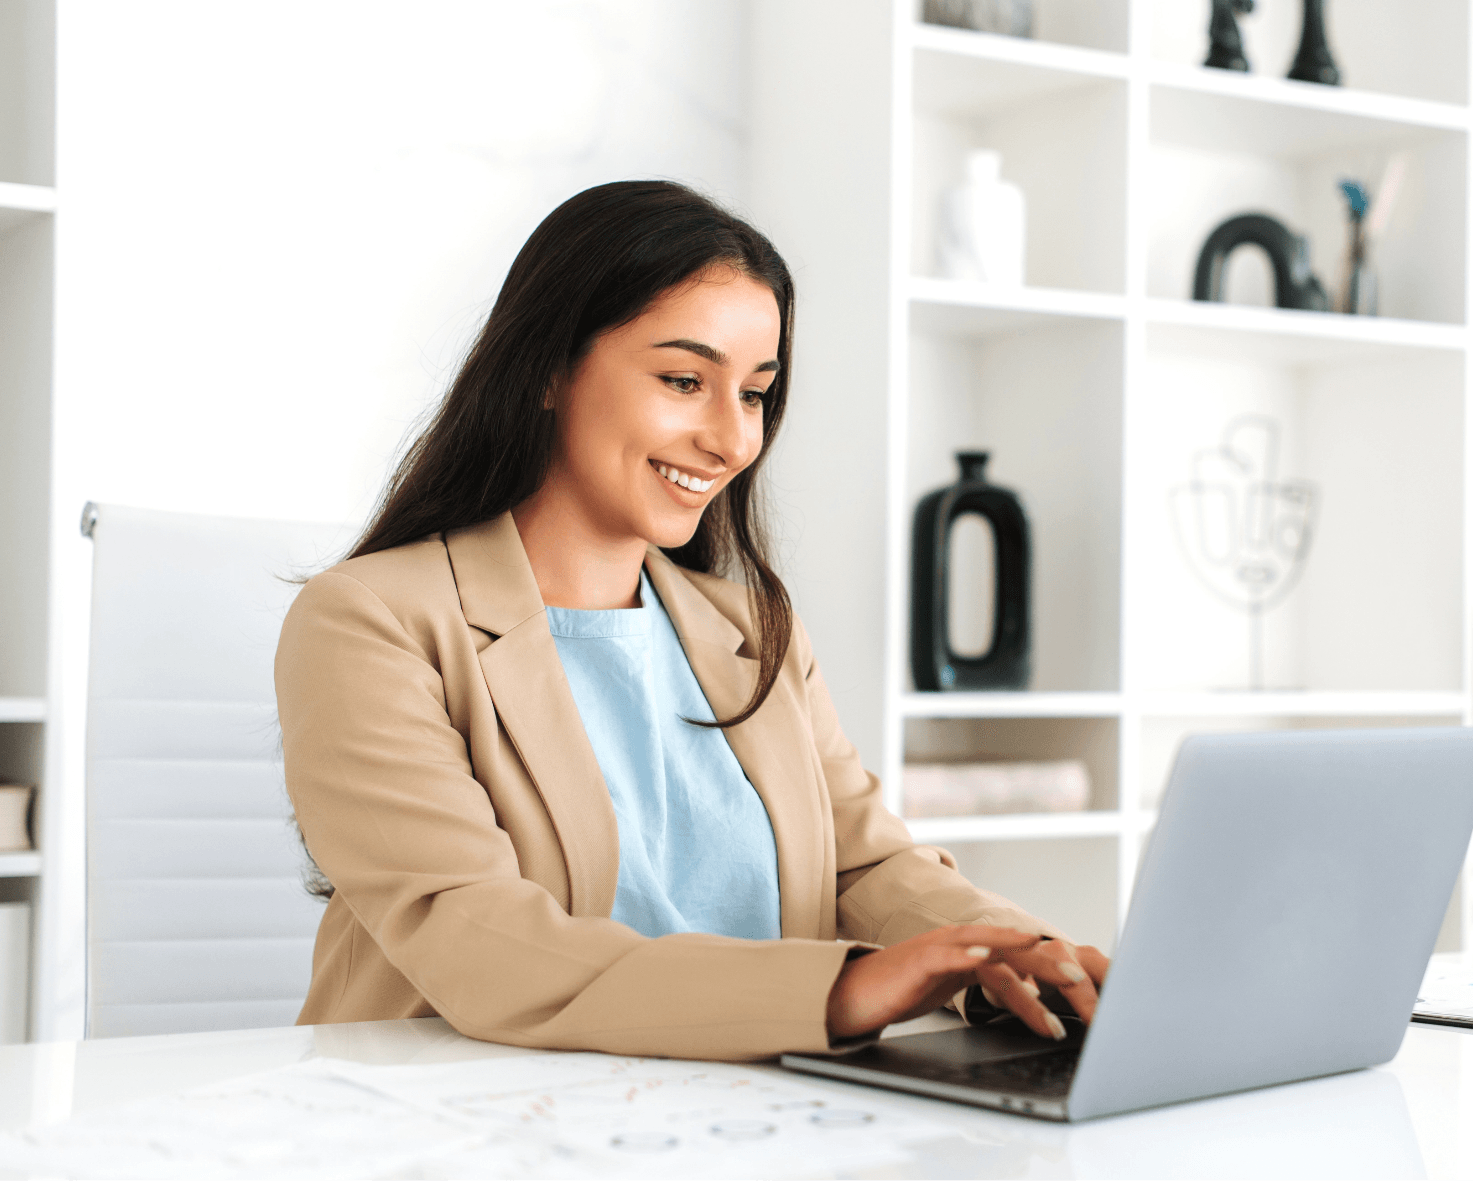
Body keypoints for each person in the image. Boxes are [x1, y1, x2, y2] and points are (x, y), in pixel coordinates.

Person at [276, 180, 1108, 1060]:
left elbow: (862, 864)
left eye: (754, 393)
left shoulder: (752, 631)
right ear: (550, 367)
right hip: (459, 1117)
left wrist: (1018, 953)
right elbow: (475, 935)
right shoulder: (368, 622)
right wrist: (842, 987)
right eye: (684, 380)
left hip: (740, 1112)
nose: (732, 439)